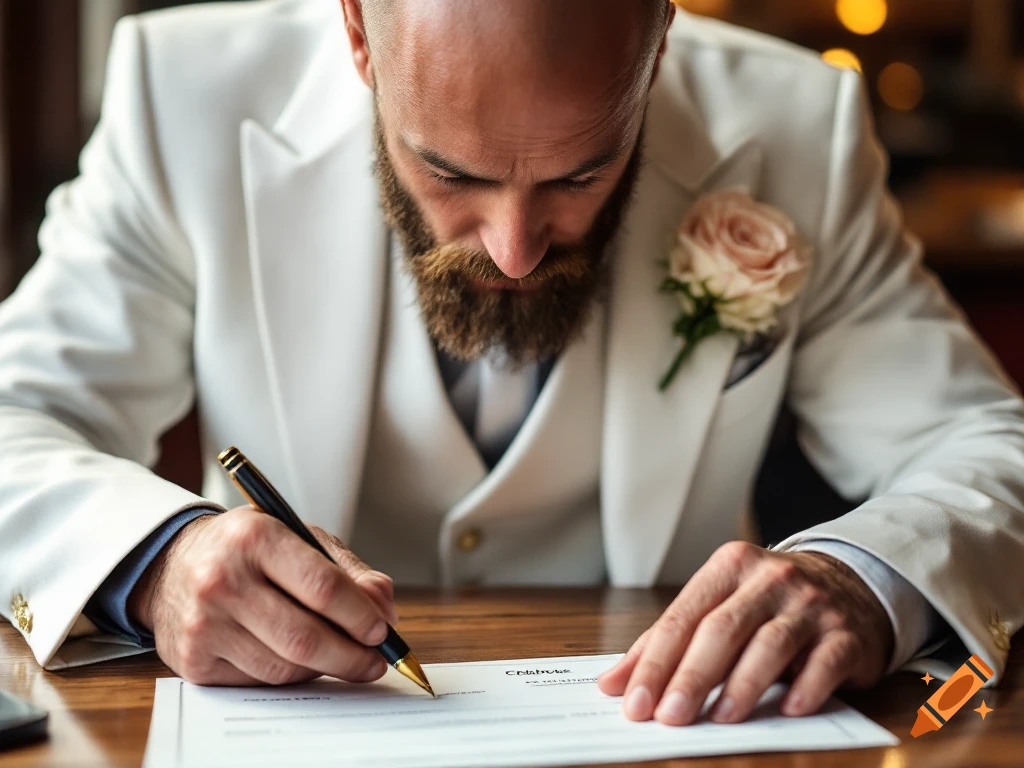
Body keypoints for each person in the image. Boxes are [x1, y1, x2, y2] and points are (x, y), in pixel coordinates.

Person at [0, 0, 1021, 728]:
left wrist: (865, 578)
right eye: (448, 170)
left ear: (657, 40)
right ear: (357, 32)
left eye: (583, 172)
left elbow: (987, 445)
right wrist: (157, 562)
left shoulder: (797, 131)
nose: (514, 250)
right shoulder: (180, 101)